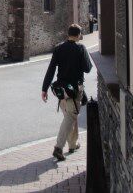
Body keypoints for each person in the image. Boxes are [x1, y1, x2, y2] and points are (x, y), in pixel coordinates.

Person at [41, 23, 93, 161]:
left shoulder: (59, 48)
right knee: (70, 117)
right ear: (78, 35)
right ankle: (58, 147)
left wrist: (44, 89)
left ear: (68, 34)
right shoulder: (80, 48)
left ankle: (73, 144)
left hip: (61, 90)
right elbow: (88, 69)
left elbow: (51, 70)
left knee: (70, 116)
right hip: (74, 90)